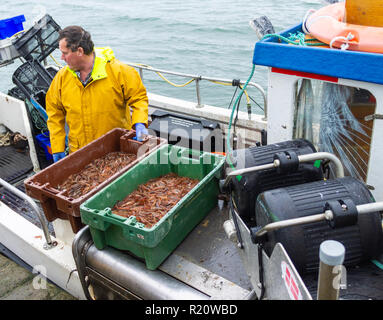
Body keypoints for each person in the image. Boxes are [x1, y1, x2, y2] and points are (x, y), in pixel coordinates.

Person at [46, 26, 148, 162]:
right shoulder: (61, 78)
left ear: (80, 51)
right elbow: (54, 112)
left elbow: (138, 98)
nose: (62, 58)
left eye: (65, 53)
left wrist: (140, 123)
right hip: (79, 152)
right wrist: (57, 146)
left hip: (115, 151)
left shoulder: (119, 71)